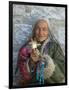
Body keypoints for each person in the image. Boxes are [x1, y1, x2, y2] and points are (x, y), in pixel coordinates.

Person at [17, 19, 65, 86]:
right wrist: (31, 62)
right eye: (38, 29)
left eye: (44, 29)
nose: (40, 33)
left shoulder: (54, 46)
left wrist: (45, 62)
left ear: (48, 31)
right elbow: (20, 74)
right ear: (34, 30)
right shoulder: (26, 47)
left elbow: (63, 68)